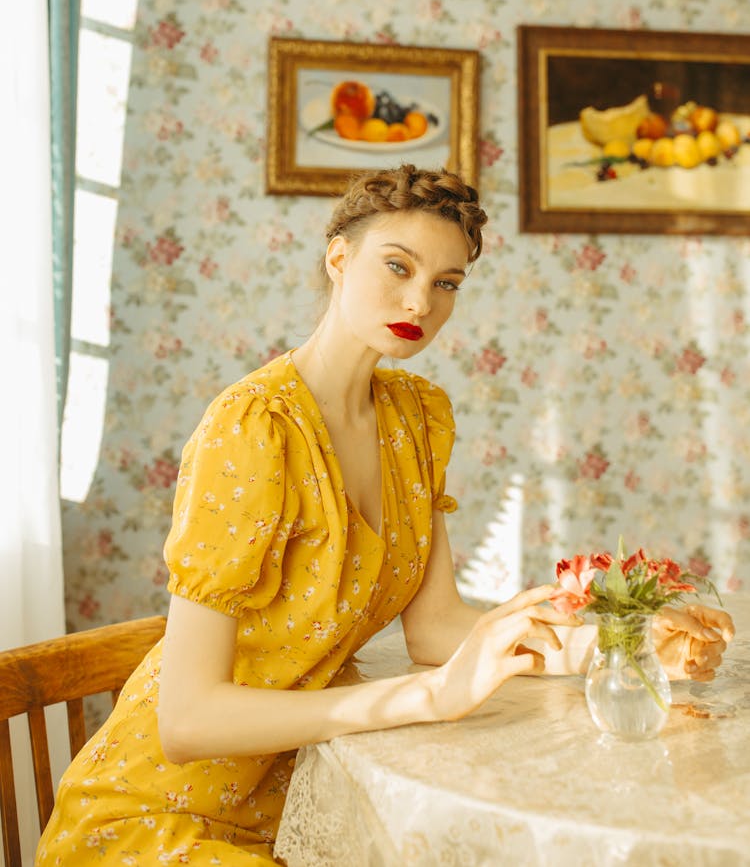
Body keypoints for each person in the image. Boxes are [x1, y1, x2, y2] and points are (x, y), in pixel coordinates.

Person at [36, 164, 734, 865]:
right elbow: (187, 720)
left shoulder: (416, 418)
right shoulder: (254, 428)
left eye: (446, 282)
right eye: (397, 265)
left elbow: (438, 630)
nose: (419, 300)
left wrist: (619, 646)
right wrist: (429, 696)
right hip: (163, 815)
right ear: (338, 256)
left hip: (300, 798)